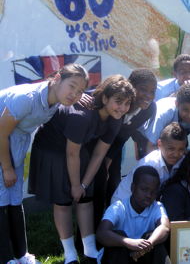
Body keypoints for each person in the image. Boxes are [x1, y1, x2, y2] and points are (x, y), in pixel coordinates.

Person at [28, 75, 135, 264]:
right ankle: (70, 255)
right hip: (52, 149)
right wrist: (75, 185)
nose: (123, 108)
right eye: (118, 101)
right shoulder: (82, 116)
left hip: (77, 150)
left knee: (86, 198)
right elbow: (71, 154)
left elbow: (98, 154)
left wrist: (83, 184)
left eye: (127, 103)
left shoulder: (116, 118)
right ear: (104, 99)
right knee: (63, 201)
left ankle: (90, 252)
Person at [0, 64, 89, 264]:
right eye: (72, 86)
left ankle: (21, 255)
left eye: (80, 91)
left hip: (16, 141)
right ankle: (5, 258)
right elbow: (1, 132)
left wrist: (79, 94)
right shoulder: (27, 98)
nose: (74, 94)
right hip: (2, 139)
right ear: (57, 77)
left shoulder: (58, 99)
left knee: (14, 198)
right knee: (1, 199)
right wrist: (6, 168)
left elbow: (72, 93)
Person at [94, 68, 158, 227]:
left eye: (153, 91)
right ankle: (92, 232)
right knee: (97, 187)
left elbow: (123, 135)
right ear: (131, 86)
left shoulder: (148, 109)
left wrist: (108, 161)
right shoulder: (119, 101)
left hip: (114, 148)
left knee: (113, 184)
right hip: (93, 146)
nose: (148, 95)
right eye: (143, 89)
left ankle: (110, 225)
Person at [97, 165, 170, 264]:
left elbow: (164, 227)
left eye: (153, 192)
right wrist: (128, 242)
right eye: (144, 189)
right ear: (133, 187)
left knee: (155, 238)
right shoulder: (119, 207)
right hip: (120, 258)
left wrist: (148, 243)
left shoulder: (157, 206)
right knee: (119, 235)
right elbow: (101, 233)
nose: (149, 195)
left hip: (144, 255)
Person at [111, 122, 187, 204]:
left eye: (181, 149)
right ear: (159, 144)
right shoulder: (149, 164)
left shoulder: (182, 161)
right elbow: (141, 199)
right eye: (171, 149)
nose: (176, 154)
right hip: (125, 207)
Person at [143, 83, 190, 151]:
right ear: (177, 104)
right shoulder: (163, 114)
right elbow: (149, 148)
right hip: (147, 135)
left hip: (173, 140)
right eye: (185, 110)